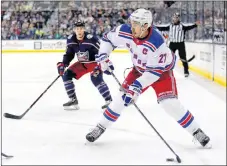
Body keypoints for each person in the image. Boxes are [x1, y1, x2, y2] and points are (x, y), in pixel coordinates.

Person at [86, 9, 211, 148]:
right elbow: (107, 39)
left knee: (169, 103)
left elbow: (153, 73)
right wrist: (104, 55)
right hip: (138, 70)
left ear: (145, 26)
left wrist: (136, 87)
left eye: (135, 24)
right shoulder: (126, 30)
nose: (131, 26)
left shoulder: (157, 42)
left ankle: (196, 131)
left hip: (161, 72)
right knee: (120, 99)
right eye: (131, 22)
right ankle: (100, 126)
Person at [57, 20, 113, 110]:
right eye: (77, 29)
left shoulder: (91, 39)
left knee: (95, 77)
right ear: (74, 29)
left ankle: (109, 101)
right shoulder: (71, 40)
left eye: (81, 28)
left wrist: (106, 61)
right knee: (66, 75)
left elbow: (102, 51)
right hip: (82, 64)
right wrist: (64, 64)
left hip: (95, 63)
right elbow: (69, 54)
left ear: (84, 29)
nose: (79, 31)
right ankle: (73, 100)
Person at [155, 12, 199, 77]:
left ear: (178, 19)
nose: (175, 19)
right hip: (172, 44)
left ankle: (186, 71)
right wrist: (154, 27)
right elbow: (162, 28)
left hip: (180, 44)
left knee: (183, 57)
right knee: (169, 58)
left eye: (176, 18)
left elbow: (189, 27)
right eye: (174, 17)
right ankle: (167, 71)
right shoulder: (170, 26)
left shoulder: (182, 26)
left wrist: (195, 25)